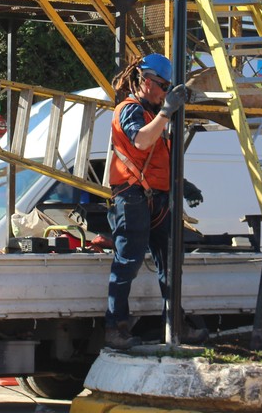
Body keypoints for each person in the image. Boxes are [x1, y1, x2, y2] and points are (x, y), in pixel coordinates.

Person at [104, 53, 204, 350]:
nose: (164, 91)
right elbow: (141, 142)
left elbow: (160, 155)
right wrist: (166, 113)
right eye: (161, 85)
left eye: (167, 86)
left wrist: (181, 183)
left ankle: (176, 324)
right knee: (127, 263)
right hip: (132, 197)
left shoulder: (154, 114)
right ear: (144, 80)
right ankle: (115, 326)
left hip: (157, 197)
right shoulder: (130, 110)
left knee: (171, 264)